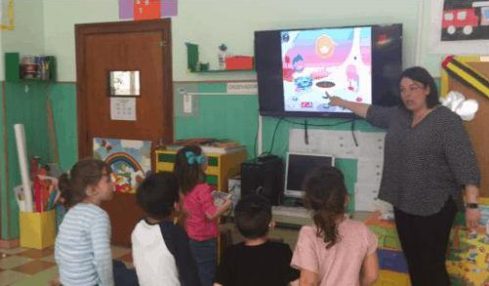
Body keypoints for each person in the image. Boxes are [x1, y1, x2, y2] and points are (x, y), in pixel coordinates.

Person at [329, 66, 481, 286]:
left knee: (432, 265)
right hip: (404, 202)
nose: (407, 94)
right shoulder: (398, 116)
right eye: (402, 90)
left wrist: (472, 205)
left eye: (413, 88)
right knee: (414, 262)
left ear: (428, 88)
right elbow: (371, 112)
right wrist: (341, 101)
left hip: (435, 205)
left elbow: (465, 163)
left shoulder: (446, 120)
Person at [291, 166, 378, 286]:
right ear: (346, 199)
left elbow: (308, 281)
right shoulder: (362, 230)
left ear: (310, 202)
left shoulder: (309, 234)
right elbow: (371, 276)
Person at [174, 145, 232, 286]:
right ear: (201, 163)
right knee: (207, 272)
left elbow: (184, 209)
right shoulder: (202, 188)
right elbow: (210, 214)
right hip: (205, 238)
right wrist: (226, 204)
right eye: (205, 157)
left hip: (191, 235)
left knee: (193, 271)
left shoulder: (183, 186)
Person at [131, 171, 201, 286]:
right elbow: (189, 274)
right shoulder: (174, 233)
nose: (183, 195)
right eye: (180, 192)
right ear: (175, 204)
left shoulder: (138, 227)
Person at [214, 194, 300, 286]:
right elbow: (297, 283)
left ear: (237, 227)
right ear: (271, 225)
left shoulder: (230, 254)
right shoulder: (282, 252)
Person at [55, 159, 115, 286]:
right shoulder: (98, 216)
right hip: (88, 283)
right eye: (108, 180)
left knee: (118, 267)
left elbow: (58, 248)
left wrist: (64, 277)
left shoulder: (71, 212)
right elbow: (102, 258)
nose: (112, 183)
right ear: (91, 190)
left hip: (67, 282)